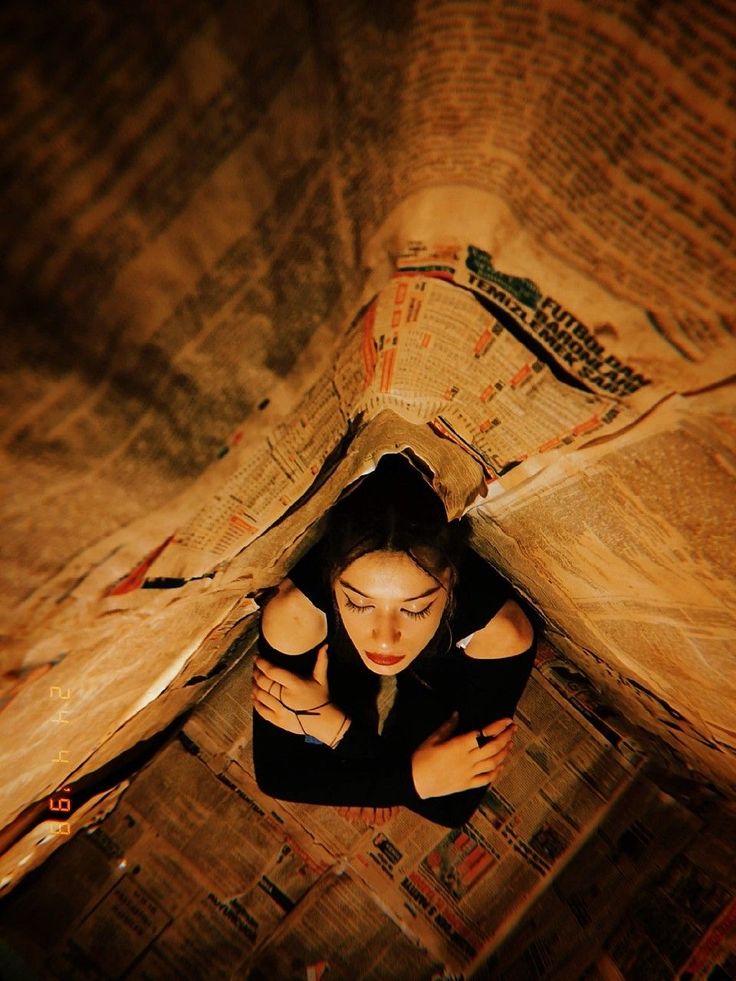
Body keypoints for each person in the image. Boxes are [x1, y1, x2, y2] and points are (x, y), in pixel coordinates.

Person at [251, 454, 535, 828]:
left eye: (415, 608)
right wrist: (406, 779)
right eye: (357, 602)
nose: (384, 639)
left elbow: (450, 808)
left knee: (423, 729)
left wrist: (336, 731)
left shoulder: (501, 631)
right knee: (383, 727)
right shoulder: (295, 613)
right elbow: (276, 776)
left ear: (451, 583)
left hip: (437, 676)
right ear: (332, 577)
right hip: (340, 660)